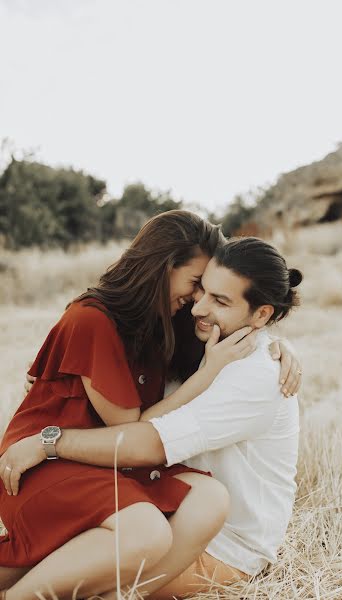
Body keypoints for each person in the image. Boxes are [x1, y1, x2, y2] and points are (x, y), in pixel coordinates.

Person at [1, 236, 303, 600]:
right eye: (201, 290)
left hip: (223, 544)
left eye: (220, 301)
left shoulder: (257, 375)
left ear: (261, 315)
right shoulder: (197, 337)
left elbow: (147, 444)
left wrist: (50, 441)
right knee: (66, 558)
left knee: (86, 579)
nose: (198, 308)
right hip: (158, 501)